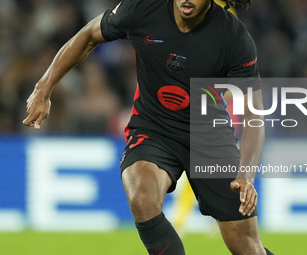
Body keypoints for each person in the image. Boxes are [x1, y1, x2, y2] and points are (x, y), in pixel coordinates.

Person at [23, 0, 274, 254]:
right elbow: (89, 35)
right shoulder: (142, 8)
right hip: (153, 127)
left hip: (209, 136)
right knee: (141, 195)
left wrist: (246, 174)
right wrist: (44, 86)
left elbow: (255, 114)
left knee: (247, 248)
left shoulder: (233, 36)